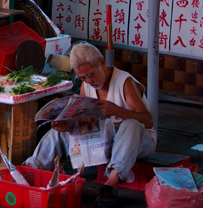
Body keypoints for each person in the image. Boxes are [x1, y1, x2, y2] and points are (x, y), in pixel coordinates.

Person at [24, 42, 156, 208]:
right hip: (102, 138)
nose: (88, 81)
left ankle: (110, 186)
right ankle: (28, 173)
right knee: (59, 133)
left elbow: (148, 120)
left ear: (101, 63)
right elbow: (83, 119)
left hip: (137, 141)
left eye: (91, 74)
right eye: (82, 78)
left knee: (131, 124)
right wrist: (67, 125)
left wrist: (118, 111)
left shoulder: (124, 82)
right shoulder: (86, 86)